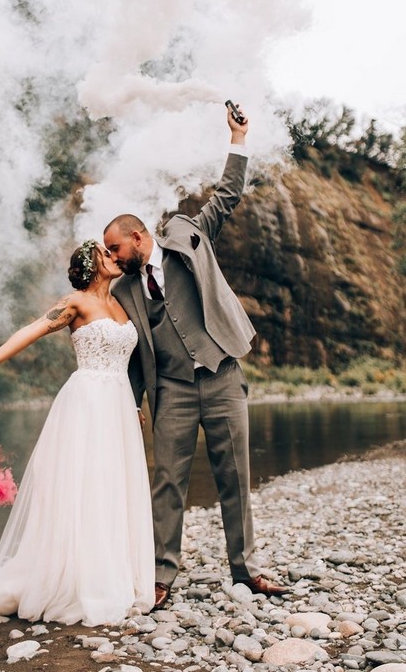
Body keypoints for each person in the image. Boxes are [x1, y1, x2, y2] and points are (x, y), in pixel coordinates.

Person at [103, 104, 289, 610]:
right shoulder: (122, 291)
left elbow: (227, 197)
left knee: (235, 478)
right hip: (174, 392)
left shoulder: (188, 234)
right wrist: (130, 402)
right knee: (167, 483)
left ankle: (246, 570)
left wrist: (238, 139)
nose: (114, 257)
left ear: (140, 237)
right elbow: (127, 352)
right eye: (108, 253)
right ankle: (161, 576)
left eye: (116, 248)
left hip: (223, 375)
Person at [0, 241, 155, 627]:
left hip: (118, 404)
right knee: (81, 488)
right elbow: (34, 329)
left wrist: (133, 404)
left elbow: (127, 362)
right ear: (92, 265)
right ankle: (72, 581)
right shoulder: (76, 302)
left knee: (111, 487)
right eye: (107, 253)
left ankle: (109, 574)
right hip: (87, 403)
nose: (115, 256)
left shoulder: (122, 304)